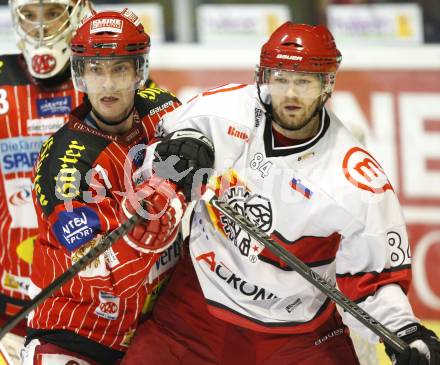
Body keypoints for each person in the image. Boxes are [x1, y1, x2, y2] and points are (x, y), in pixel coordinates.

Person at [121, 22, 440, 365]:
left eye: (303, 82)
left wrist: (406, 333)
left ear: (326, 85)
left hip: (296, 335)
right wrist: (171, 159)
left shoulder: (354, 178)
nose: (289, 94)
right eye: (281, 78)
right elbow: (150, 159)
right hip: (195, 312)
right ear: (264, 77)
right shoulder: (226, 111)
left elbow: (375, 278)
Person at [20, 9, 213, 365]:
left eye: (120, 69)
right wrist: (168, 188)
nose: (107, 85)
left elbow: (217, 130)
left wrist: (197, 141)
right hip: (75, 337)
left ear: (140, 71)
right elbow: (113, 277)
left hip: (155, 329)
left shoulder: (160, 105)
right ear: (80, 74)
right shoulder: (64, 166)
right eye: (96, 70)